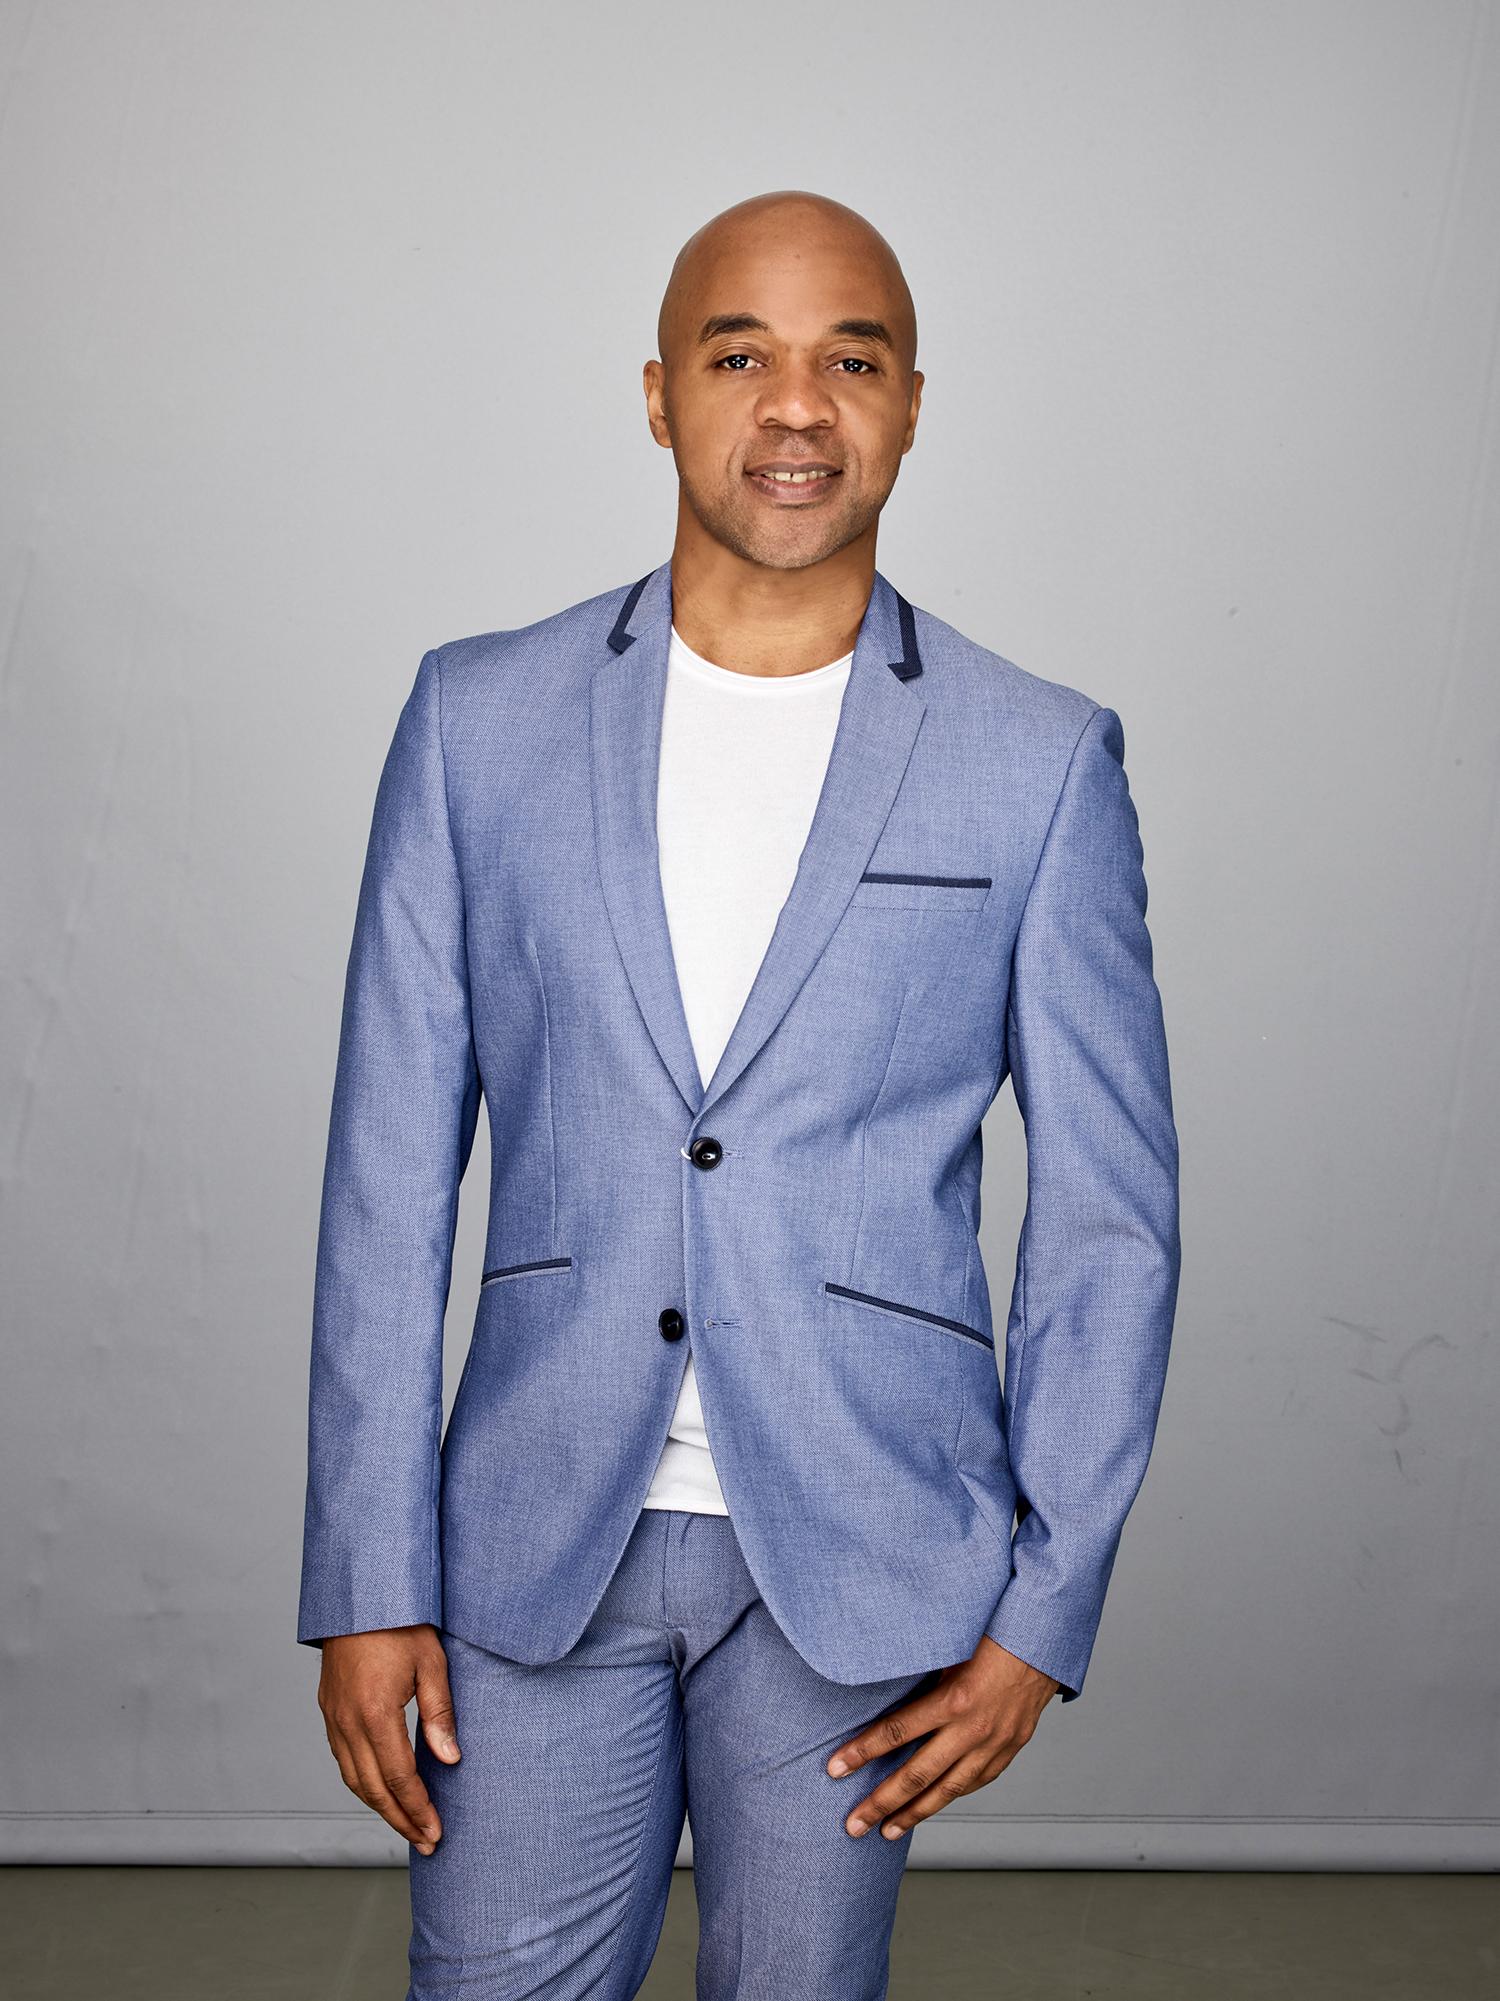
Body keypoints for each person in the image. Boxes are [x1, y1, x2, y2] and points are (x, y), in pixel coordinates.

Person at [297, 188, 1181, 2000]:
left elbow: (1109, 1219)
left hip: (871, 1556)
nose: (796, 406)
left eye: (850, 360)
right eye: (739, 356)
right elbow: (387, 1180)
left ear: (913, 404)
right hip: (534, 1543)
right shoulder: (479, 721)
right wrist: (366, 1572)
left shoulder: (1039, 761)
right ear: (656, 394)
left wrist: (1044, 1610)